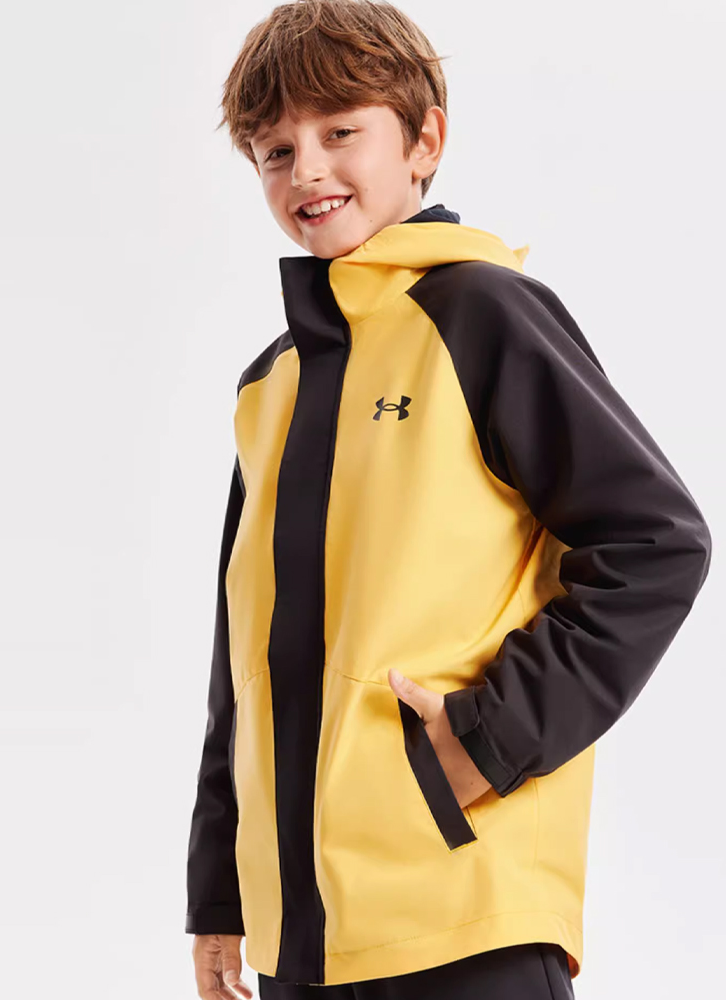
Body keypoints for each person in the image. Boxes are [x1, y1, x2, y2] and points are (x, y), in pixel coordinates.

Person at [184, 2, 713, 998]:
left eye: (341, 131)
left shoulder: (482, 313)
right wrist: (221, 893)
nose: (307, 171)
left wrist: (488, 740)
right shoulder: (272, 386)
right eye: (275, 150)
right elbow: (243, 660)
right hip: (303, 941)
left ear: (424, 140)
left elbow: (654, 543)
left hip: (465, 921)